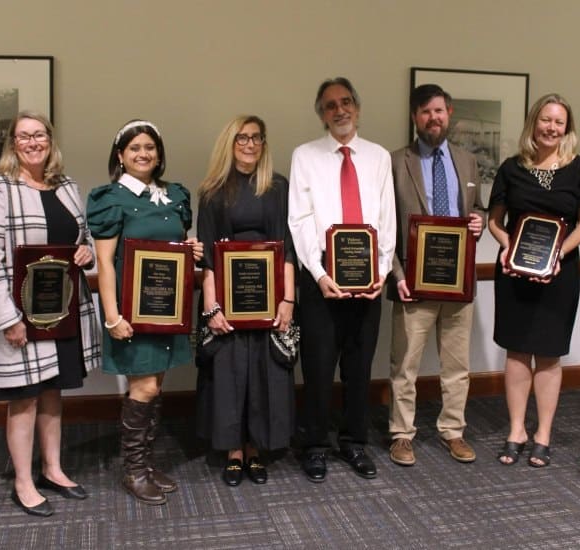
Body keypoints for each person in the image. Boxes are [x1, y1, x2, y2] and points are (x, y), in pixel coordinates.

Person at [0, 112, 102, 517]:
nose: (33, 142)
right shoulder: (1, 189)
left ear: (50, 140)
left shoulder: (66, 186)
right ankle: (24, 480)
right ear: (13, 144)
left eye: (39, 135)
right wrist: (5, 317)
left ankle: (53, 468)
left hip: (63, 310)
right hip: (21, 313)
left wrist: (86, 252)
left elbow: (80, 239)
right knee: (24, 400)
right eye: (23, 136)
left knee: (53, 392)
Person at [86, 120, 204, 505]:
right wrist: (112, 316)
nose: (143, 153)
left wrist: (192, 251)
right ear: (120, 155)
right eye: (134, 147)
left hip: (166, 311)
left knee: (158, 386)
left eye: (150, 147)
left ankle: (147, 465)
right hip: (131, 314)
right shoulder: (110, 198)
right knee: (145, 387)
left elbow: (175, 249)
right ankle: (133, 470)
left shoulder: (174, 195)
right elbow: (105, 263)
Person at [288, 77, 396, 482]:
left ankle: (354, 443)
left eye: (346, 102)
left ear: (358, 107)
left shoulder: (378, 157)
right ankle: (314, 445)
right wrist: (317, 274)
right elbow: (298, 219)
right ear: (321, 114)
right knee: (317, 368)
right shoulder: (305, 156)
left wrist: (381, 272)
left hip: (368, 285)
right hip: (321, 284)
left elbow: (386, 219)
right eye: (330, 105)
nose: (340, 110)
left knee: (359, 368)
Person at [487, 94, 580, 467]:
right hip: (515, 273)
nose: (551, 128)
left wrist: (558, 254)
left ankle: (543, 433)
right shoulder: (510, 168)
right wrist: (508, 247)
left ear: (568, 128)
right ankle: (516, 429)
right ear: (533, 123)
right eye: (545, 120)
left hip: (559, 273)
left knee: (549, 354)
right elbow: (495, 222)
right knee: (517, 351)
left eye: (559, 122)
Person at [195, 115, 296, 486]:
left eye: (256, 138)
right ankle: (233, 451)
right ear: (230, 142)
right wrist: (211, 306)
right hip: (226, 299)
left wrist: (288, 301)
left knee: (264, 372)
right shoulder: (212, 190)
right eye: (242, 138)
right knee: (230, 374)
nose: (250, 144)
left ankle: (256, 449)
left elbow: (288, 249)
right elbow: (206, 255)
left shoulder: (280, 187)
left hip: (270, 299)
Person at [387, 84, 485, 467]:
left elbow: (476, 210)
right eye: (426, 112)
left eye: (440, 111)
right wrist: (397, 275)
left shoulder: (467, 161)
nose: (434, 118)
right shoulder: (396, 162)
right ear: (415, 117)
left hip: (457, 284)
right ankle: (401, 435)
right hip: (413, 283)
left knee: (457, 365)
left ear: (450, 113)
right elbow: (386, 226)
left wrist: (478, 220)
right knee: (404, 366)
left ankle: (454, 431)